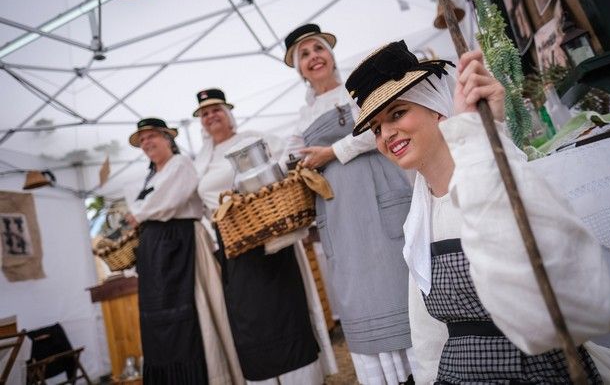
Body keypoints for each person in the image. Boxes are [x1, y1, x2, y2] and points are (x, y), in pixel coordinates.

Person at [345, 40, 610, 383]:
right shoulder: (421, 219)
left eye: (397, 113)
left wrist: (483, 136)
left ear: (437, 108)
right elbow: (429, 334)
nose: (386, 135)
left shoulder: (495, 182)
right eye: (377, 127)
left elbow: (563, 308)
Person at [282, 24, 415, 384]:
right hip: (338, 214)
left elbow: (382, 126)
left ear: (331, 53)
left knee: (397, 280)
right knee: (360, 295)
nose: (313, 57)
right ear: (299, 68)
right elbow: (288, 159)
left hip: (379, 195)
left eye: (317, 49)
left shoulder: (357, 89)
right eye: (304, 55)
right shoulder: (302, 117)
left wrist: (333, 151)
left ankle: (423, 369)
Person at [193, 88, 336, 385]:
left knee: (285, 311)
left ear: (229, 112)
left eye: (216, 109)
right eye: (205, 113)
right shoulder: (200, 161)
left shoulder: (253, 138)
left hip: (270, 236)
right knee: (249, 320)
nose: (211, 116)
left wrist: (259, 193)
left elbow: (287, 158)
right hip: (233, 248)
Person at [125, 117, 244, 384]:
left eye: (151, 136)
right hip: (155, 251)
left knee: (193, 310)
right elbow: (149, 207)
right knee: (159, 317)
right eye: (142, 140)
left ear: (167, 139)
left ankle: (208, 376)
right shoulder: (151, 176)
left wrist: (137, 213)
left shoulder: (180, 164)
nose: (146, 143)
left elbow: (167, 202)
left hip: (181, 244)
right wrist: (139, 216)